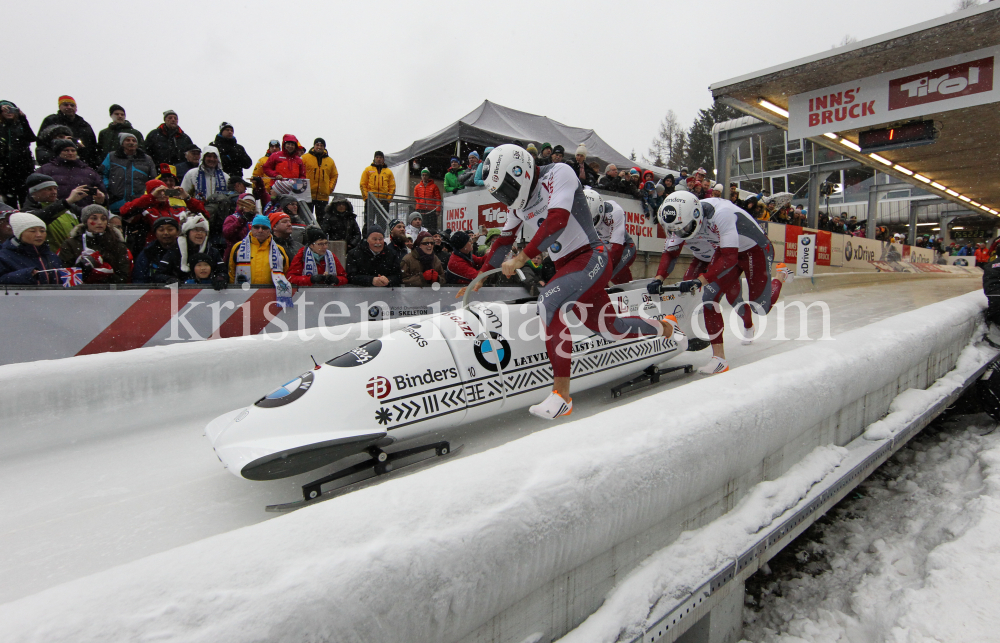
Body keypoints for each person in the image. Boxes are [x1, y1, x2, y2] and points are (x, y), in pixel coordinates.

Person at [463, 144, 679, 420]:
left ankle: (561, 395)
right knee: (612, 328)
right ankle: (666, 327)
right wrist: (479, 277)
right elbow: (503, 242)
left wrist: (522, 258)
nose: (507, 198)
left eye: (507, 189)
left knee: (549, 302)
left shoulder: (559, 173)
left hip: (591, 257)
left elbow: (558, 220)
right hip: (569, 267)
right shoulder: (517, 206)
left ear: (519, 172)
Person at [647, 192, 792, 375]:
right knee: (709, 297)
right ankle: (719, 359)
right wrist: (659, 278)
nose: (680, 235)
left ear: (697, 216)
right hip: (723, 250)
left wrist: (700, 280)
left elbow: (730, 258)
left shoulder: (721, 214)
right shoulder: (679, 220)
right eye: (675, 231)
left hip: (753, 250)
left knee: (760, 307)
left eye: (683, 229)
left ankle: (780, 276)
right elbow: (670, 253)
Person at [120, 179, 207, 249]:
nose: (162, 194)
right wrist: (152, 197)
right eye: (157, 191)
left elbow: (204, 215)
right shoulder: (144, 211)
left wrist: (187, 198)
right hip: (152, 250)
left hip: (177, 250)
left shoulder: (179, 210)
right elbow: (124, 211)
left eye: (164, 191)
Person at [58, 204, 130, 283]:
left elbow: (123, 276)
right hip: (80, 292)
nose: (99, 222)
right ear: (85, 221)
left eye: (103, 219)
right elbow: (65, 277)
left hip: (109, 292)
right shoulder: (70, 244)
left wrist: (103, 274)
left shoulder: (117, 245)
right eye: (94, 218)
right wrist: (82, 267)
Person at [153, 214, 226, 289]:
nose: (199, 233)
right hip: (181, 294)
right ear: (187, 232)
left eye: (203, 230)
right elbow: (159, 274)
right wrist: (169, 279)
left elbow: (223, 271)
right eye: (195, 230)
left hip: (208, 292)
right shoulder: (175, 251)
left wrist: (220, 278)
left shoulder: (212, 251)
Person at [21, 173, 86, 253]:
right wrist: (67, 202)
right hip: (49, 258)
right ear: (35, 192)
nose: (54, 192)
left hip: (72, 255)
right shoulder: (27, 212)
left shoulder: (67, 207)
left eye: (55, 188)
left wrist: (101, 202)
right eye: (48, 189)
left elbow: (89, 215)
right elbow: (42, 216)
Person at [585, 189, 635, 285]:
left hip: (624, 248)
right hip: (604, 250)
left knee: (601, 277)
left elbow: (617, 249)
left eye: (593, 219)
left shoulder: (614, 212)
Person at [38, 139, 106, 207]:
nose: (70, 153)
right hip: (56, 211)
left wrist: (101, 198)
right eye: (66, 150)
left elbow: (102, 193)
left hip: (83, 211)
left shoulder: (89, 171)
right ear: (59, 152)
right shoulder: (45, 170)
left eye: (73, 150)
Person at [0, 211, 63, 284]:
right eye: (32, 231)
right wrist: (26, 275)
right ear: (19, 234)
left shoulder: (52, 256)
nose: (39, 235)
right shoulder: (4, 257)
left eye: (42, 231)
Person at [101, 133, 156, 214]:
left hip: (140, 204)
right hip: (117, 203)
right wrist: (109, 187)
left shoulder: (146, 159)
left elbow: (153, 179)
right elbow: (102, 174)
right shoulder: (112, 156)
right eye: (128, 140)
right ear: (122, 143)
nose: (131, 142)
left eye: (134, 140)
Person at [39, 96, 100, 169]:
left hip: (82, 165)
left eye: (72, 105)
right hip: (57, 165)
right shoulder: (51, 121)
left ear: (76, 108)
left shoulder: (84, 125)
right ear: (60, 107)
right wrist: (61, 144)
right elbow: (42, 142)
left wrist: (83, 150)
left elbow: (92, 147)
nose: (69, 107)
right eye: (65, 105)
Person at [228, 214, 290, 285]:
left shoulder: (279, 250)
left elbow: (285, 273)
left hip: (270, 294)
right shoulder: (238, 247)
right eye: (256, 227)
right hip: (244, 294)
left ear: (269, 231)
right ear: (252, 229)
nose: (260, 230)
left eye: (264, 228)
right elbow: (232, 274)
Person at [0, 100, 36, 206]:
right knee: (8, 203)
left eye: (12, 109)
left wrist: (23, 118)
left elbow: (32, 138)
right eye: (5, 110)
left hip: (23, 170)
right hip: (5, 172)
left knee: (26, 201)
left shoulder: (20, 126)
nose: (9, 112)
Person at [132, 216, 180, 283]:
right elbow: (139, 278)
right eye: (161, 230)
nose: (166, 233)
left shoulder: (184, 249)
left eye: (170, 229)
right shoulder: (148, 252)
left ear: (178, 232)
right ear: (155, 233)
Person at [302, 138, 338, 215]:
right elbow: (299, 173)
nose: (319, 147)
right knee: (307, 219)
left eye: (321, 145)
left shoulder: (330, 161)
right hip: (308, 195)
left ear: (324, 147)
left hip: (323, 196)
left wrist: (329, 189)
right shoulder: (305, 158)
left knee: (323, 221)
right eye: (317, 145)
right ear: (314, 146)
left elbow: (334, 175)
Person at [223, 192, 258, 260]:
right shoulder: (232, 218)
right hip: (235, 253)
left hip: (254, 253)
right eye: (246, 203)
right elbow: (227, 233)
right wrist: (243, 220)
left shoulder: (257, 219)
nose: (248, 205)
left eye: (251, 203)